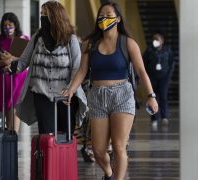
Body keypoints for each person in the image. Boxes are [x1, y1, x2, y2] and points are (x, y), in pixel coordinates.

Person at [62, 2, 158, 180]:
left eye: (108, 15)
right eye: (101, 15)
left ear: (118, 19)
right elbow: (82, 71)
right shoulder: (90, 44)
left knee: (120, 147)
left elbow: (141, 72)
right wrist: (70, 90)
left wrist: (151, 96)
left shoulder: (128, 43)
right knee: (98, 151)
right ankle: (109, 174)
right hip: (97, 97)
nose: (103, 18)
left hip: (122, 95)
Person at [1, 1, 87, 135]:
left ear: (56, 16)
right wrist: (11, 67)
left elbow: (77, 68)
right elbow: (24, 61)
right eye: (41, 14)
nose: (42, 17)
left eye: (46, 14)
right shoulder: (37, 38)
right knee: (47, 137)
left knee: (65, 136)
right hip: (42, 94)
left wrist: (71, 89)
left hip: (65, 97)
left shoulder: (70, 40)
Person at [0, 12, 29, 133]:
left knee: (16, 104)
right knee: (7, 105)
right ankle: (10, 131)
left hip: (20, 77)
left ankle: (14, 132)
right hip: (5, 76)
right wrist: (4, 61)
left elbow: (28, 58)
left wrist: (12, 58)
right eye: (5, 26)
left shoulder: (24, 38)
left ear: (15, 25)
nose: (8, 28)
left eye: (10, 25)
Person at [143, 32, 174, 126]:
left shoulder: (167, 50)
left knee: (163, 97)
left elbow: (171, 63)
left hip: (164, 78)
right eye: (154, 39)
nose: (155, 41)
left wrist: (168, 76)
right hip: (152, 77)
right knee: (153, 97)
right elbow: (143, 63)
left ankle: (164, 116)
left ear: (162, 41)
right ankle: (154, 118)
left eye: (157, 39)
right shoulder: (149, 50)